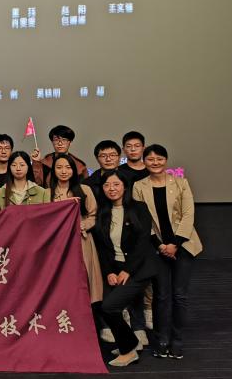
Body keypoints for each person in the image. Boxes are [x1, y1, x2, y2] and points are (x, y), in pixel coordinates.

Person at [132, 144, 203, 359]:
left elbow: (188, 214)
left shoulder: (181, 183)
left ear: (166, 160)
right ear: (144, 161)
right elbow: (141, 220)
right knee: (161, 295)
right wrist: (160, 246)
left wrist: (175, 244)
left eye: (159, 158)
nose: (155, 162)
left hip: (183, 246)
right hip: (157, 248)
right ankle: (162, 339)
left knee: (179, 295)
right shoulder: (139, 186)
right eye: (150, 159)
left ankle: (177, 339)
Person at [92, 170, 159, 367]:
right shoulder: (103, 212)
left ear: (125, 187)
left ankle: (128, 350)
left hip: (139, 269)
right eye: (106, 185)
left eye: (116, 184)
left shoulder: (139, 208)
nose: (111, 189)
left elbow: (143, 243)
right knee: (101, 305)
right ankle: (130, 342)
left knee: (110, 306)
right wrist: (109, 272)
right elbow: (102, 248)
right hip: (115, 268)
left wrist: (127, 270)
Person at [48, 153, 102, 305]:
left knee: (83, 278)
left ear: (73, 170)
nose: (64, 171)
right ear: (53, 170)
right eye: (59, 167)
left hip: (82, 240)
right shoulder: (48, 193)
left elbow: (94, 215)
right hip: (58, 243)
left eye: (68, 167)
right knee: (62, 280)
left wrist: (83, 225)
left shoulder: (85, 189)